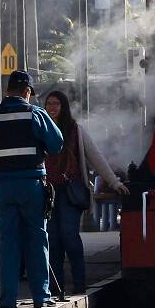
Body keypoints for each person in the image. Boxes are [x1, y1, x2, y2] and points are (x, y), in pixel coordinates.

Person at [0, 71, 63, 308]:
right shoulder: (35, 113)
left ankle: (7, 300)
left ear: (7, 90)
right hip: (32, 185)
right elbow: (57, 144)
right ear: (27, 92)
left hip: (4, 187)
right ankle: (41, 296)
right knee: (37, 240)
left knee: (8, 243)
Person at [43, 90, 128, 294]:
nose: (52, 107)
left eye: (56, 104)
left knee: (69, 236)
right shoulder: (41, 128)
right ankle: (56, 288)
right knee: (53, 240)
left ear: (63, 107)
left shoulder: (76, 130)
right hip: (47, 192)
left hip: (70, 191)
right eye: (49, 103)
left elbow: (95, 156)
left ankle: (79, 284)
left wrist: (114, 182)